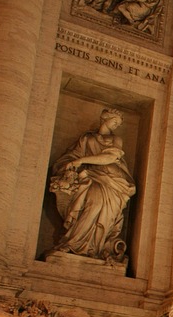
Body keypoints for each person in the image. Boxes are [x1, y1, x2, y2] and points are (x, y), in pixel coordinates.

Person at [49, 108, 135, 261]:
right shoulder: (87, 138)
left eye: (118, 124)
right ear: (104, 118)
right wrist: (68, 165)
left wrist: (81, 161)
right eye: (114, 121)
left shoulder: (116, 140)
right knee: (93, 204)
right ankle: (74, 243)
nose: (116, 126)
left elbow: (109, 157)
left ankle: (95, 247)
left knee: (103, 209)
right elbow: (72, 155)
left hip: (112, 180)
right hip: (91, 177)